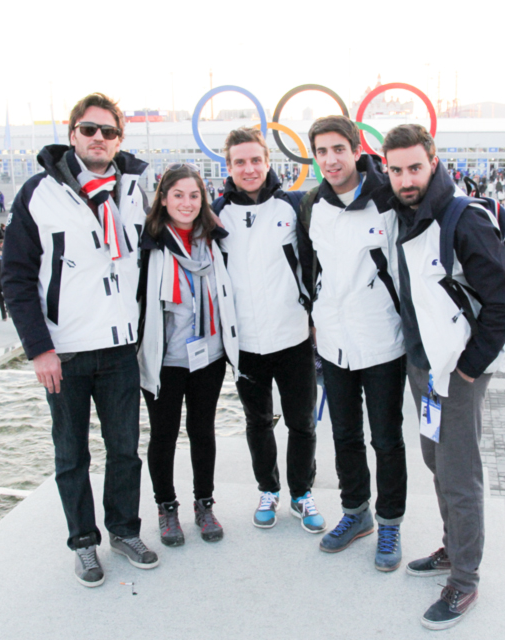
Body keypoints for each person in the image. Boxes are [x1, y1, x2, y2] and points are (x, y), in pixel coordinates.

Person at [1, 92, 156, 587]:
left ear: (118, 140)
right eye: (89, 129)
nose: (98, 138)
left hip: (119, 347)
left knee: (125, 449)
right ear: (72, 134)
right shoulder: (38, 193)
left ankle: (124, 530)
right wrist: (39, 349)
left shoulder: (136, 187)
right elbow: (17, 277)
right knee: (71, 454)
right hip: (63, 350)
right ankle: (83, 543)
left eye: (108, 132)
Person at [383, 124, 505, 630]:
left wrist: (467, 367)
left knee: (460, 474)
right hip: (423, 364)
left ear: (434, 160)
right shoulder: (402, 209)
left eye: (414, 167)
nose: (405, 178)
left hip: (458, 370)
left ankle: (465, 579)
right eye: (395, 169)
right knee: (436, 459)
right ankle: (453, 547)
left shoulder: (460, 219)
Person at [299, 116, 405, 569]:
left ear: (357, 150)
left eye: (338, 149)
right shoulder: (312, 206)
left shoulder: (388, 199)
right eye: (321, 151)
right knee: (344, 435)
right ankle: (355, 512)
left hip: (382, 340)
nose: (330, 159)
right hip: (334, 343)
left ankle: (390, 523)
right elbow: (309, 269)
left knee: (386, 438)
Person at [212, 127, 322, 533]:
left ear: (268, 162)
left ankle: (302, 493)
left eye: (255, 160)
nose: (249, 168)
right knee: (258, 423)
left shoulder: (293, 206)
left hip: (292, 337)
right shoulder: (216, 214)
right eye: (240, 161)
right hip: (245, 346)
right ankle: (268, 489)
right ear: (228, 167)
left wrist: (316, 318)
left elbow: (314, 263)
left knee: (302, 423)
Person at [137, 165, 237, 548]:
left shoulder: (213, 240)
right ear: (163, 198)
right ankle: (166, 508)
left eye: (194, 195)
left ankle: (204, 503)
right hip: (165, 359)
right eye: (177, 194)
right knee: (163, 435)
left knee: (202, 430)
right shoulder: (149, 243)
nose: (186, 202)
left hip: (207, 356)